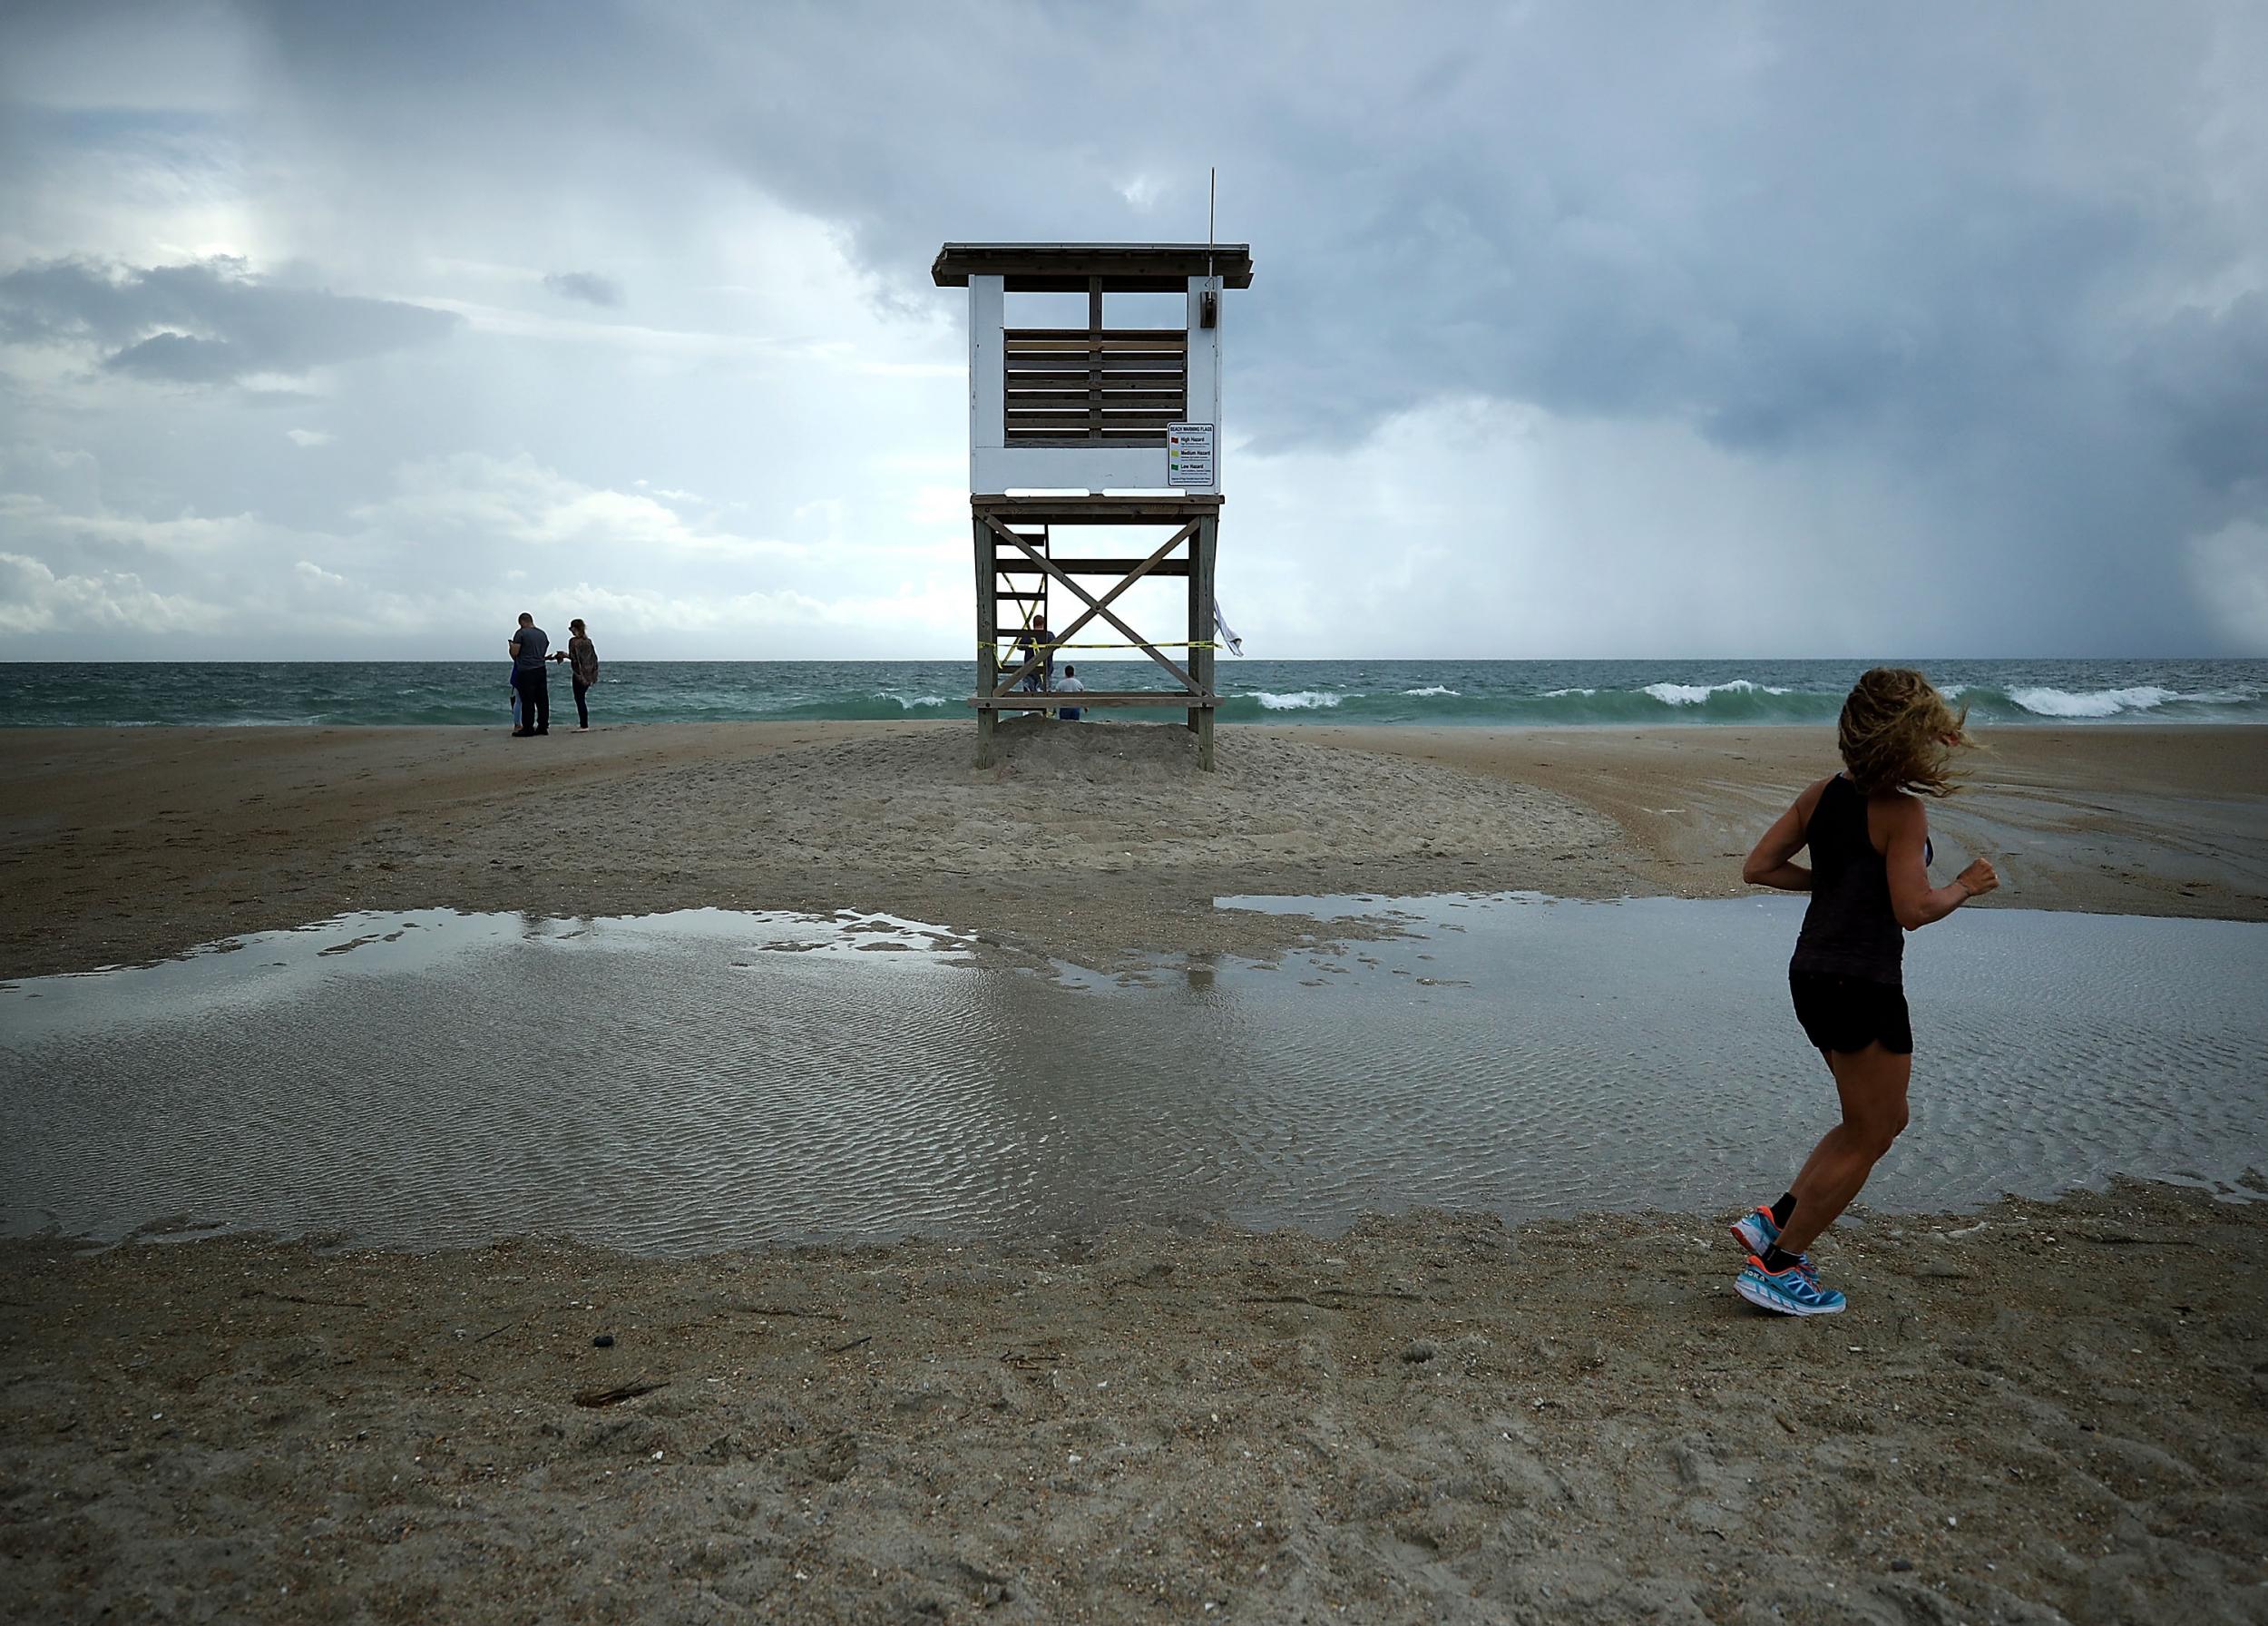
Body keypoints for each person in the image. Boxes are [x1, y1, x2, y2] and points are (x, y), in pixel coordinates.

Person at [1731, 667, 1999, 1317]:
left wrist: (1832, 885)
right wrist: (1966, 883)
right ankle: (1779, 1266)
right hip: (1863, 981)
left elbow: (1760, 867)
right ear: (1907, 737)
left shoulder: (1820, 795)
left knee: (1877, 1121)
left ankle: (1776, 1220)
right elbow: (1913, 909)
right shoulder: (1902, 811)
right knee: (1872, 1131)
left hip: (1812, 975)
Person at [549, 618, 600, 730]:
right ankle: (584, 724)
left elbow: (574, 658)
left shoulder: (573, 642)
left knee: (579, 699)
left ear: (574, 628)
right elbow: (594, 658)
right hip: (589, 674)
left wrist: (563, 655)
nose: (570, 631)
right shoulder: (588, 641)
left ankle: (584, 725)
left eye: (571, 628)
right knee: (582, 698)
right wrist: (594, 674)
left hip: (578, 674)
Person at [507, 612, 550, 736]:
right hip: (541, 669)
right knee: (542, 700)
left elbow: (515, 653)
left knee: (527, 700)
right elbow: (544, 649)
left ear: (522, 622)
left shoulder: (521, 633)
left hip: (526, 670)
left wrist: (510, 647)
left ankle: (528, 728)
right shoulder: (542, 634)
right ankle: (543, 726)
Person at [1015, 616, 1051, 693]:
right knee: (1044, 697)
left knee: (1028, 697)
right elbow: (1056, 646)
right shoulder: (1049, 636)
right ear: (1044, 623)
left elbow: (1019, 646)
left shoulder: (1028, 636)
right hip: (1045, 670)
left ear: (1033, 624)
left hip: (1029, 670)